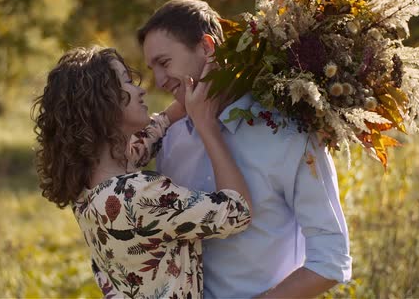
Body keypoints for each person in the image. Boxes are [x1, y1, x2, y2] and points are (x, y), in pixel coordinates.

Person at [137, 0, 352, 298]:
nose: (158, 80)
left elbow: (330, 260)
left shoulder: (289, 135)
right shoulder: (172, 139)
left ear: (207, 47)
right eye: (152, 68)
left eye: (164, 63)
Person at [31, 46, 253, 298]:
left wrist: (185, 101)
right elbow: (238, 210)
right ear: (103, 104)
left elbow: (150, 135)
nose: (141, 89)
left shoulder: (89, 183)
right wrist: (206, 124)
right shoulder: (139, 194)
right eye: (127, 82)